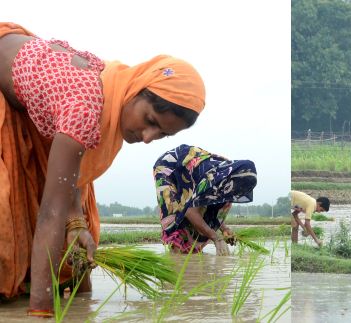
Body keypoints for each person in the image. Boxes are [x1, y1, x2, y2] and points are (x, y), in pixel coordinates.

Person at [0, 22, 205, 316]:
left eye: (162, 134)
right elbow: (51, 213)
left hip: (31, 107)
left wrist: (76, 224)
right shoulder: (85, 107)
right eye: (150, 120)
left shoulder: (110, 92)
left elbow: (74, 176)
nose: (148, 137)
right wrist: (42, 313)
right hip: (7, 92)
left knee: (84, 224)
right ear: (135, 90)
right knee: (9, 217)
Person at [154, 145, 257, 255]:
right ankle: (177, 253)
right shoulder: (212, 176)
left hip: (191, 170)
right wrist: (216, 238)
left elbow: (212, 209)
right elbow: (190, 211)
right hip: (170, 166)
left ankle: (190, 253)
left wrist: (225, 229)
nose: (238, 192)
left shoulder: (228, 182)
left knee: (201, 211)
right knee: (175, 212)